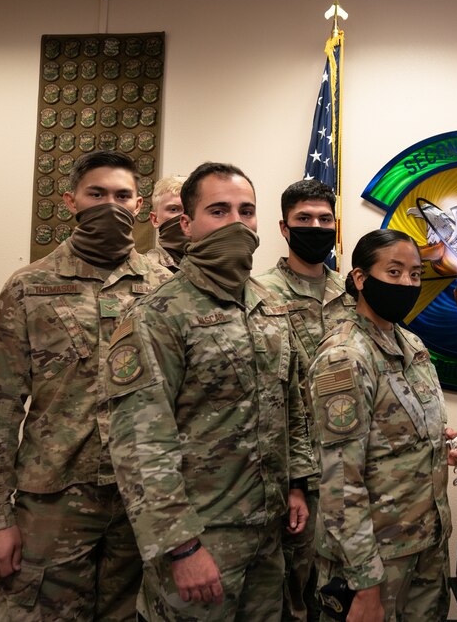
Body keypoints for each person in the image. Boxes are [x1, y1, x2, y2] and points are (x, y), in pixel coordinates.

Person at [0, 150, 172, 620]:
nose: (110, 205)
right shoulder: (29, 287)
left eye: (122, 196)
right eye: (96, 194)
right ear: (71, 201)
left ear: (139, 206)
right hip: (53, 505)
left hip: (142, 503)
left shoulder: (166, 288)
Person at [106, 162, 312, 621]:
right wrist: (181, 546)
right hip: (201, 539)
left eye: (247, 210)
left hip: (267, 533)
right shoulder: (159, 314)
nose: (237, 223)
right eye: (218, 211)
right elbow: (140, 444)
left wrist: (297, 485)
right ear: (188, 224)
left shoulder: (270, 306)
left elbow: (291, 407)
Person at [309, 228, 457, 622]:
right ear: (361, 279)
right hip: (374, 560)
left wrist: (446, 448)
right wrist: (364, 583)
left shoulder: (410, 344)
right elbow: (338, 480)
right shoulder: (345, 356)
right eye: (394, 272)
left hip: (425, 546)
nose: (407, 283)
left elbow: (399, 436)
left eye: (415, 274)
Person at [255, 179, 355, 622]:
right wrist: (296, 479)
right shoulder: (258, 294)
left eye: (323, 219)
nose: (315, 226)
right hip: (287, 475)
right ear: (283, 227)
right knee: (291, 593)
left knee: (344, 590)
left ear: (336, 226)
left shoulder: (354, 296)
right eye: (304, 219)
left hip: (348, 468)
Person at [146, 175, 188, 271]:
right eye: (173, 209)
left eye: (190, 209)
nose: (183, 217)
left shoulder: (216, 271)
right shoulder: (143, 270)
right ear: (155, 219)